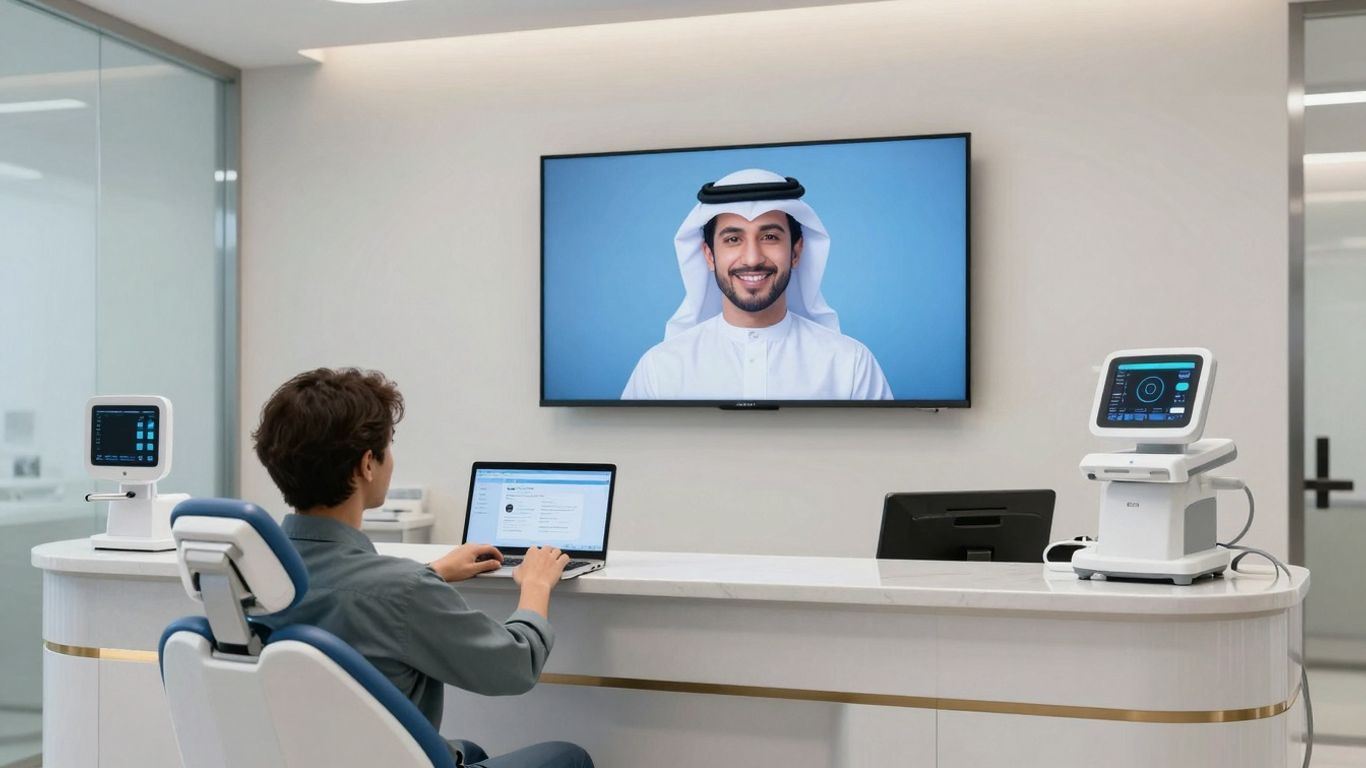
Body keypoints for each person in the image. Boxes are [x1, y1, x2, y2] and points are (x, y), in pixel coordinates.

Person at [252, 367, 592, 768]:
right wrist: (536, 586)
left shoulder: (250, 578)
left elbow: (349, 595)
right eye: (387, 447)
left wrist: (430, 574)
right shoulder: (402, 590)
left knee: (470, 750)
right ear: (367, 465)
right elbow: (515, 667)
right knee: (569, 757)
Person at [621, 168, 893, 400]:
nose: (752, 258)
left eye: (770, 237)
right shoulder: (660, 369)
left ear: (796, 252)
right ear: (708, 255)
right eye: (733, 239)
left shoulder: (851, 365)